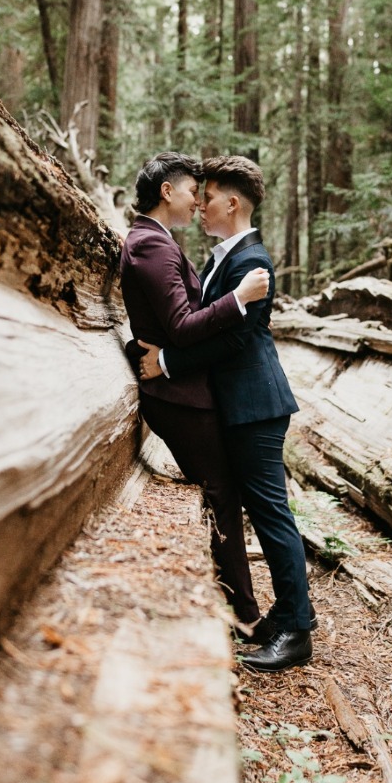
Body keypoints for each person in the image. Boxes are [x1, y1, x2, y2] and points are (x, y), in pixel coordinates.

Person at [138, 155, 315, 673]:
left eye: (209, 197)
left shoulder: (250, 262)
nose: (201, 204)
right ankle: (287, 614)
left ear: (232, 203)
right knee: (263, 511)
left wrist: (166, 362)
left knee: (270, 513)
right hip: (238, 405)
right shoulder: (224, 257)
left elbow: (236, 339)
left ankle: (297, 631)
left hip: (255, 404)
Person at [119, 152, 271, 636]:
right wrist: (238, 299)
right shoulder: (152, 245)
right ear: (167, 192)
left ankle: (240, 608)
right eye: (191, 192)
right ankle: (244, 616)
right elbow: (182, 326)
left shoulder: (157, 242)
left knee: (224, 493)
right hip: (177, 398)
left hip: (184, 389)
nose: (197, 203)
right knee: (222, 494)